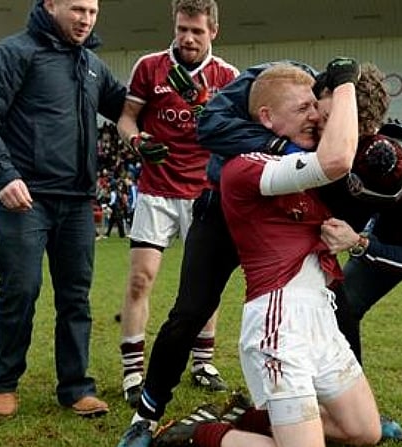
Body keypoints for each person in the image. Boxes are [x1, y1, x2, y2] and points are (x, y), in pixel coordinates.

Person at [199, 63, 402, 446]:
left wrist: (358, 243)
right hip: (303, 295)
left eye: (322, 119)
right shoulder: (342, 152)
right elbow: (235, 135)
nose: (316, 126)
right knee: (345, 300)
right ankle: (311, 403)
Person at [115, 61, 402, 447]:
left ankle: (326, 410)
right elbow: (211, 125)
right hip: (229, 206)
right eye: (316, 114)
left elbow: (339, 168)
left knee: (342, 304)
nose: (318, 123)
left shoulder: (328, 125)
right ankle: (148, 417)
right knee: (190, 312)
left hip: (289, 205)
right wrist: (283, 147)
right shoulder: (279, 81)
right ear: (325, 95)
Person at [0, 0, 127, 418]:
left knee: (76, 296)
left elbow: (128, 107)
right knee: (21, 288)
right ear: (50, 4)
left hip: (77, 201)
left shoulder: (92, 66)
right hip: (24, 196)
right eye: (77, 9)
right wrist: (3, 174)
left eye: (93, 10)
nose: (86, 19)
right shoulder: (11, 54)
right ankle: (2, 382)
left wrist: (174, 93)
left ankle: (75, 387)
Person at [115, 0, 238, 409]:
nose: (187, 38)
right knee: (140, 280)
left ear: (213, 32)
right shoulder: (149, 66)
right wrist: (135, 140)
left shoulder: (228, 76)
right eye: (182, 28)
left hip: (205, 192)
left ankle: (202, 363)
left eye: (197, 31)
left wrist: (206, 107)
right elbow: (126, 118)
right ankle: (133, 373)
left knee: (205, 285)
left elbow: (236, 135)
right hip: (156, 189)